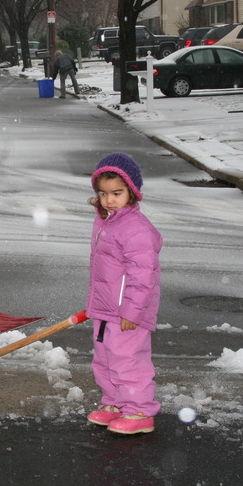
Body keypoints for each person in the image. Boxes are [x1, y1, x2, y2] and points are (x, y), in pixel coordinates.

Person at [84, 153, 162, 434]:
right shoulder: (107, 221)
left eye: (117, 193)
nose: (109, 200)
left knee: (128, 361)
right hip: (106, 309)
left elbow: (143, 276)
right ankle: (115, 403)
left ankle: (139, 410)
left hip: (127, 312)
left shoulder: (135, 228)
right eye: (103, 194)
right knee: (105, 359)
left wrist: (132, 311)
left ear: (132, 192)